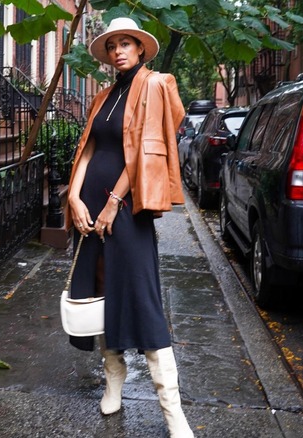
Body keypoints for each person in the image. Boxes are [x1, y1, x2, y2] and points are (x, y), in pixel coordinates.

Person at [66, 16, 193, 438]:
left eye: (127, 43)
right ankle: (113, 382)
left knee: (142, 299)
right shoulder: (102, 96)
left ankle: (172, 411)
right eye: (113, 45)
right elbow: (88, 151)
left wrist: (113, 203)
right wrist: (72, 197)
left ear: (140, 49)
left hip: (125, 209)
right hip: (88, 209)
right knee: (101, 295)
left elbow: (143, 151)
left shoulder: (154, 85)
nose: (119, 50)